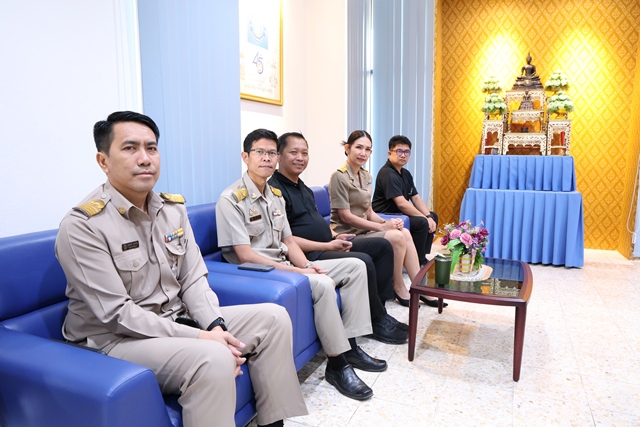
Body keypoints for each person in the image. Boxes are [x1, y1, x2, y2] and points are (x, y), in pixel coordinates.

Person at [55, 111, 307, 427]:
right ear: (103, 161)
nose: (145, 158)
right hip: (116, 340)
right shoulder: (83, 226)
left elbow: (193, 278)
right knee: (214, 357)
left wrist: (215, 326)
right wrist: (202, 337)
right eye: (130, 148)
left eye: (151, 148)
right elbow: (117, 314)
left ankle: (272, 422)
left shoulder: (172, 209)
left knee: (273, 318)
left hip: (175, 319)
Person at [216, 128, 387, 402]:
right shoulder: (231, 199)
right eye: (260, 152)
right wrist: (300, 271)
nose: (267, 158)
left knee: (355, 267)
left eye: (271, 153)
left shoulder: (275, 195)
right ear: (245, 157)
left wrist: (308, 264)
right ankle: (337, 364)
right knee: (322, 283)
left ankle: (351, 346)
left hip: (285, 264)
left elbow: (288, 241)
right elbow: (245, 256)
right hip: (259, 273)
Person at [268, 132, 408, 345]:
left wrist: (335, 235)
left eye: (304, 153)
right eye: (293, 152)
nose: (300, 158)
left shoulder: (302, 187)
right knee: (364, 260)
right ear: (279, 155)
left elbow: (315, 222)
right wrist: (328, 244)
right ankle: (376, 320)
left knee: (382, 246)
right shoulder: (275, 191)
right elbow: (285, 239)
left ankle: (379, 312)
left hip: (328, 242)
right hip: (310, 253)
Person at [328, 130, 446, 309]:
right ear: (347, 148)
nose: (363, 153)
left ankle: (419, 287)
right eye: (359, 147)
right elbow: (346, 216)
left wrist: (385, 223)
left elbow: (369, 212)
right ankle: (398, 286)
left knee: (404, 232)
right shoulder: (339, 176)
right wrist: (382, 227)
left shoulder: (366, 176)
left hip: (365, 230)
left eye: (367, 149)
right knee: (397, 236)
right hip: (348, 234)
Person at [372, 135, 439, 266]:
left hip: (399, 214)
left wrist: (428, 216)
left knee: (433, 216)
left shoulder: (405, 173)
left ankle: (422, 255)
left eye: (407, 152)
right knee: (421, 222)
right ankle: (418, 261)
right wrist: (424, 218)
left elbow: (416, 197)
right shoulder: (387, 173)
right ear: (390, 153)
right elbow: (402, 204)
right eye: (399, 151)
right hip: (385, 215)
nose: (403, 155)